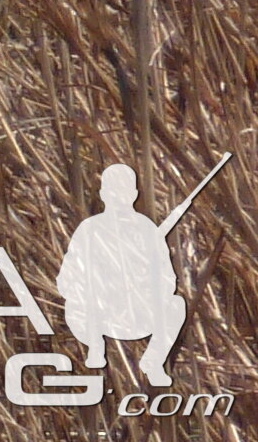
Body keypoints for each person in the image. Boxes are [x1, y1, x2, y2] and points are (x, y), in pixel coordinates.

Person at [59, 164, 191, 385]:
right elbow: (66, 281)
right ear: (103, 195)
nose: (119, 199)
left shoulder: (147, 230)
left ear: (134, 195)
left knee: (176, 305)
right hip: (97, 317)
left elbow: (168, 281)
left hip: (138, 315)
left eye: (123, 193)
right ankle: (96, 350)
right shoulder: (89, 230)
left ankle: (153, 363)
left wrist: (142, 283)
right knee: (79, 306)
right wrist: (101, 287)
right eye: (113, 193)